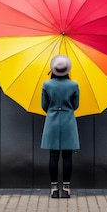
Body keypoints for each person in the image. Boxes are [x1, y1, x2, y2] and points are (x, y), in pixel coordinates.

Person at [41, 54, 80, 199]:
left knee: (53, 155)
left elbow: (44, 105)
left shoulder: (47, 84)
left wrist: (52, 111)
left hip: (52, 120)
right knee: (67, 156)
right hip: (68, 121)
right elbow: (76, 105)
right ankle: (66, 189)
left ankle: (53, 189)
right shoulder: (74, 85)